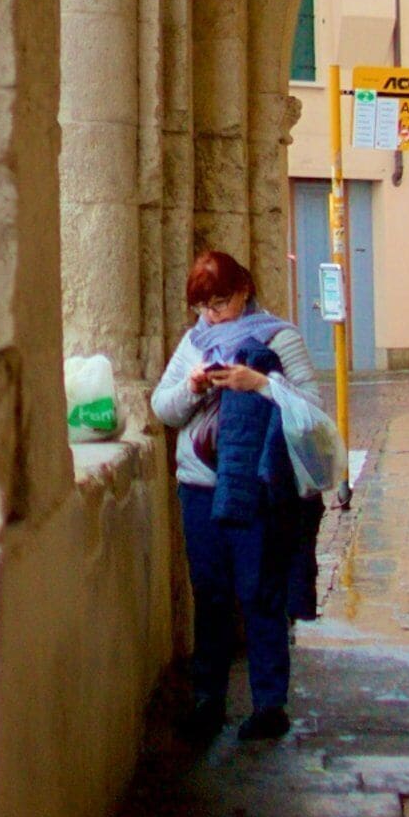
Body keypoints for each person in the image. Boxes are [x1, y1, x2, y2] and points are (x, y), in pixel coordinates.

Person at [151, 249, 339, 746]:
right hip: (199, 488)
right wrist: (194, 387)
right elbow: (163, 408)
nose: (213, 315)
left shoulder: (281, 337)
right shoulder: (195, 342)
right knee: (210, 595)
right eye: (204, 307)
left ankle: (269, 704)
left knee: (260, 594)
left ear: (244, 291)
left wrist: (259, 382)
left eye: (221, 303)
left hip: (256, 488)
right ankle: (208, 700)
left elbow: (312, 412)